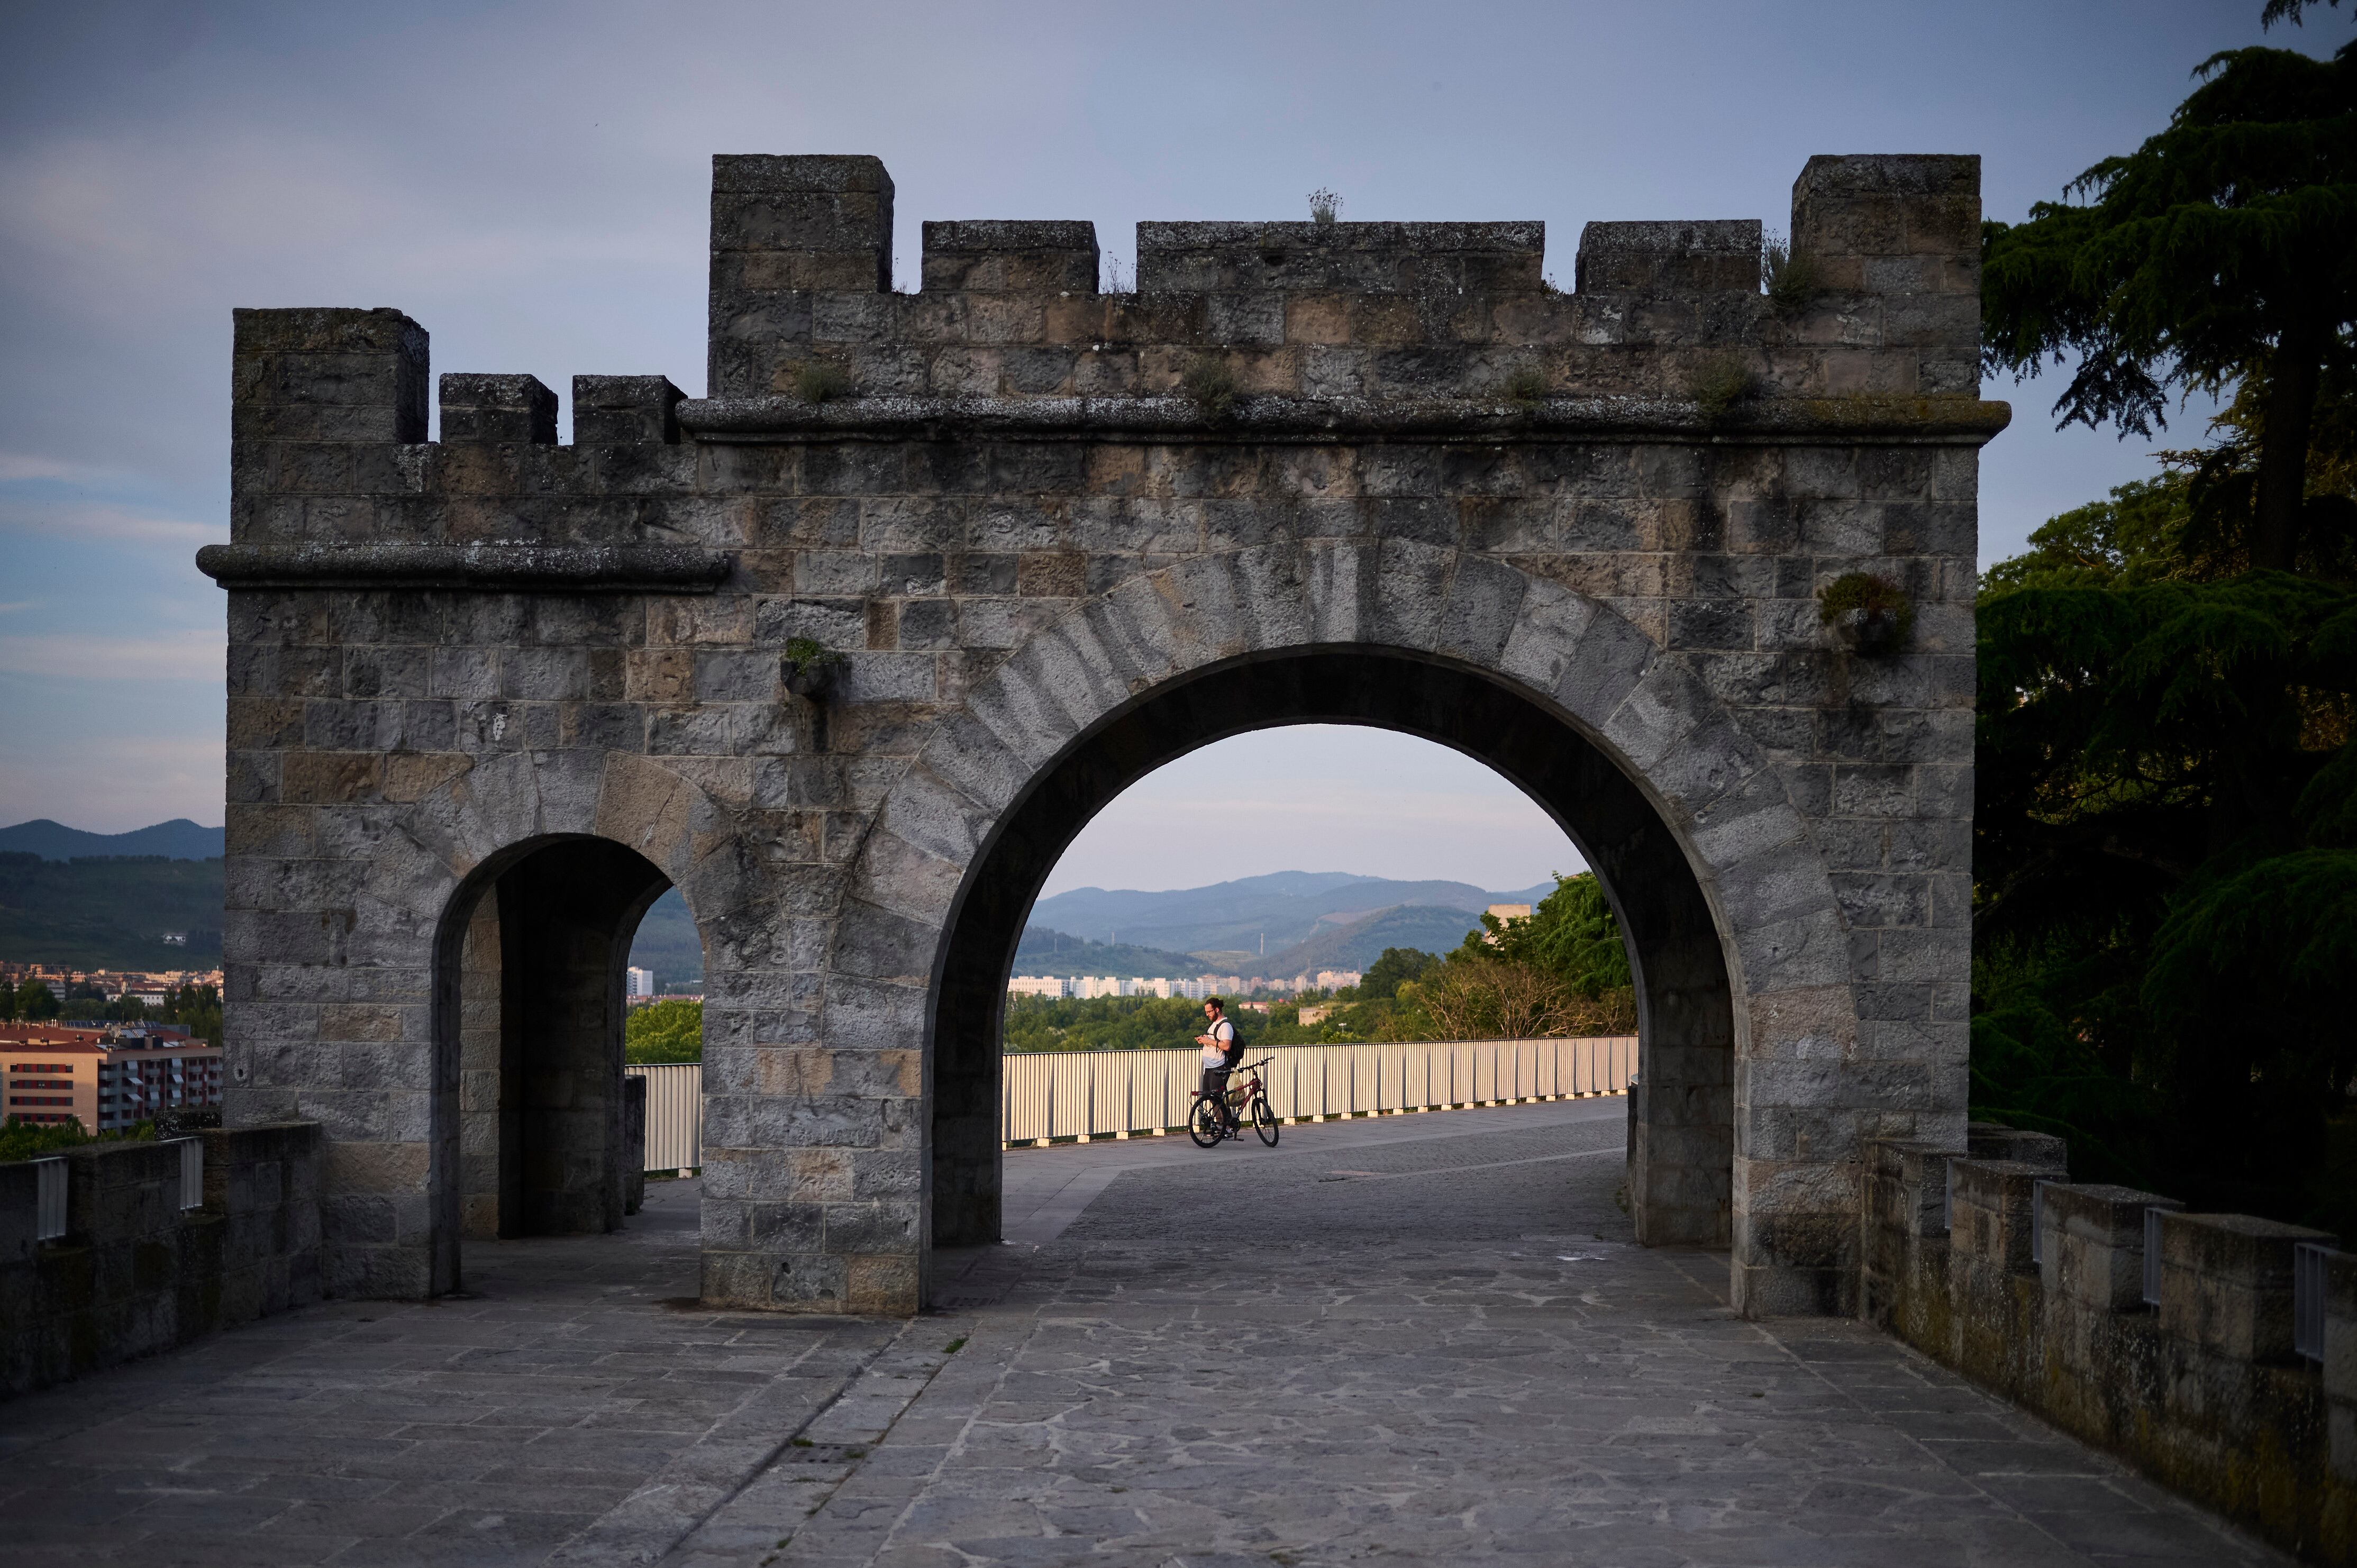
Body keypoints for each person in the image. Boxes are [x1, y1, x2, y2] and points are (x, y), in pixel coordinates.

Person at [1195, 997, 1241, 1131]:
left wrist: (1209, 1042)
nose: (1208, 1015)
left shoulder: (1225, 1026)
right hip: (1210, 1067)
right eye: (1206, 1012)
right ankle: (1221, 1126)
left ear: (1217, 1010)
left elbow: (1226, 1046)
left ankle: (1226, 1128)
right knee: (1211, 1098)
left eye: (1209, 1012)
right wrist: (1205, 1039)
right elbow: (1215, 1041)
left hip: (1220, 1067)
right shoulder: (1214, 1025)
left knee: (1217, 1098)